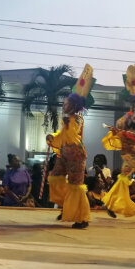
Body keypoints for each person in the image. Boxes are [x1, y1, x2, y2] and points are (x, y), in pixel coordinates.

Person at [47, 93, 91, 229]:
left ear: (73, 106)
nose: (63, 106)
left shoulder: (77, 119)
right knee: (54, 178)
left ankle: (82, 218)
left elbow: (73, 135)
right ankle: (67, 206)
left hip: (76, 155)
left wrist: (68, 124)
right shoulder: (67, 119)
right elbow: (62, 136)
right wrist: (52, 137)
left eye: (65, 104)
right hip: (64, 154)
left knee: (76, 186)